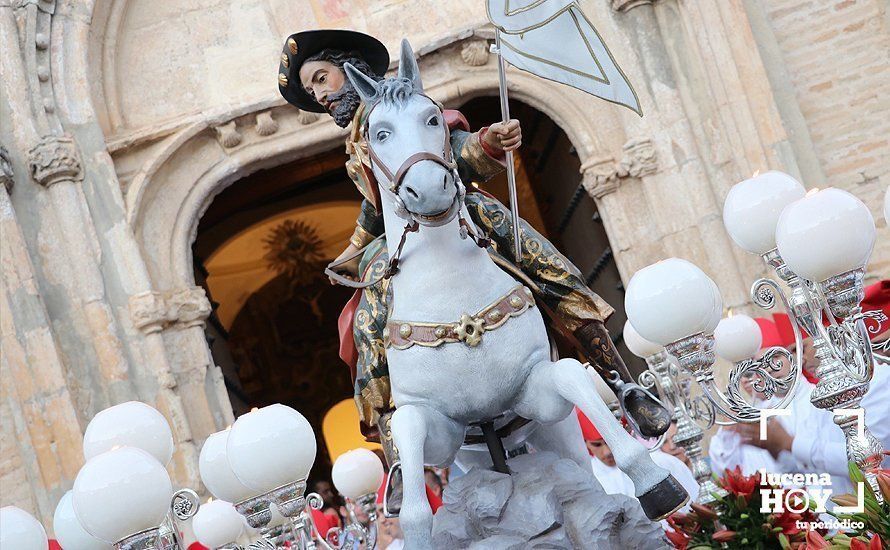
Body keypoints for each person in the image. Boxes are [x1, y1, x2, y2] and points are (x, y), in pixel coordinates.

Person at [276, 29, 672, 454]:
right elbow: (376, 206)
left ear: (351, 68)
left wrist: (487, 142)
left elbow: (452, 144)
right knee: (364, 322)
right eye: (311, 88)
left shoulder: (404, 102)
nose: (319, 94)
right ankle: (393, 437)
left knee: (547, 266)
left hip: (462, 209)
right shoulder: (356, 139)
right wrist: (354, 251)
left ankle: (623, 385)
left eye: (320, 78)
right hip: (401, 235)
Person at [578, 409, 698, 512]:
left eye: (609, 442)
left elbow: (696, 502)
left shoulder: (660, 461)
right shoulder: (587, 478)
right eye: (597, 445)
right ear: (586, 444)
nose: (607, 452)